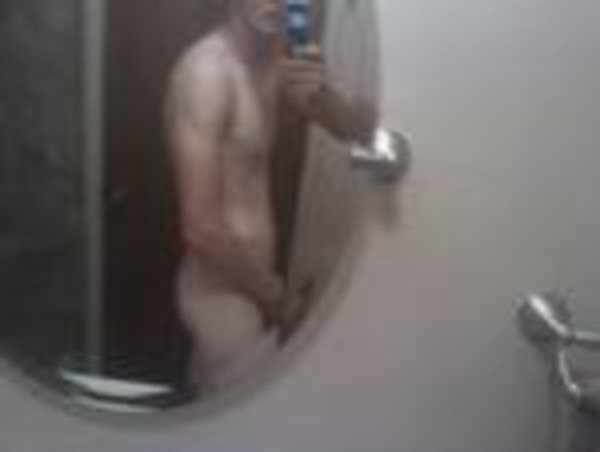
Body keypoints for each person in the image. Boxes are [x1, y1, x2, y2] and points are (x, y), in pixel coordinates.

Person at [165, 0, 364, 391]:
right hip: (220, 297)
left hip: (254, 284)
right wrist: (277, 300)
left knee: (213, 405)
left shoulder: (274, 64)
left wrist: (321, 94)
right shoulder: (207, 73)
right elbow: (200, 229)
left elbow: (358, 136)